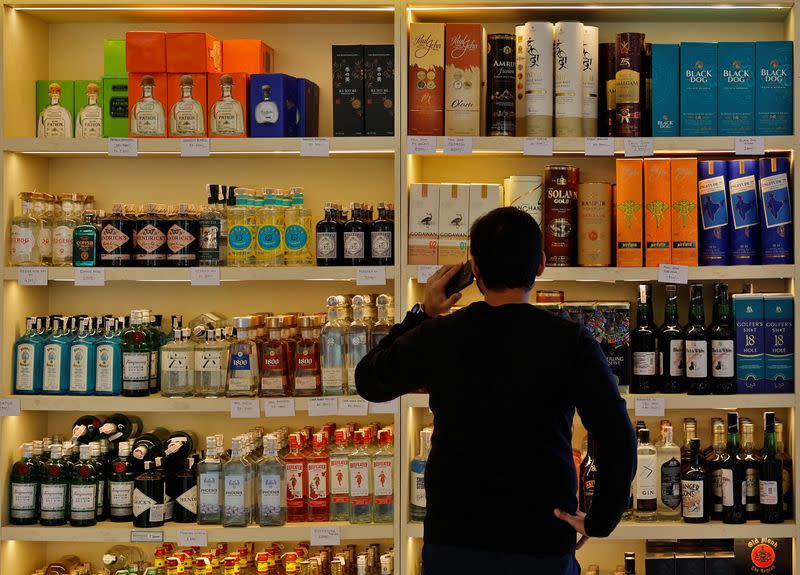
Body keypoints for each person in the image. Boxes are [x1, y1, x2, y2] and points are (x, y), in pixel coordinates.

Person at [355, 207, 637, 575]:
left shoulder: (439, 335)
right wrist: (600, 520)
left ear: (474, 269)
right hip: (541, 539)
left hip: (454, 540)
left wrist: (423, 313)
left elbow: (370, 381)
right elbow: (618, 437)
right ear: (540, 264)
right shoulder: (572, 341)